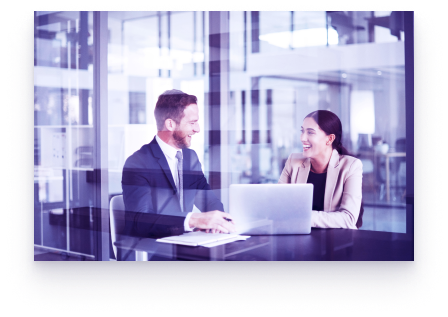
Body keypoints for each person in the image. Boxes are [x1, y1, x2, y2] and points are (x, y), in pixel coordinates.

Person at [122, 89, 235, 238]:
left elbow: (208, 200)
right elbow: (141, 221)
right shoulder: (138, 163)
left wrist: (221, 221)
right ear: (170, 124)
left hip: (186, 244)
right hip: (153, 250)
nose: (197, 129)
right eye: (192, 123)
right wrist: (193, 220)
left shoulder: (190, 157)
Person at [278, 110, 363, 229]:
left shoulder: (351, 166)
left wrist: (302, 217)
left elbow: (348, 218)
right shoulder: (293, 161)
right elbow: (278, 204)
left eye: (310, 132)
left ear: (329, 139)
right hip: (299, 236)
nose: (302, 138)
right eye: (302, 131)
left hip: (336, 241)